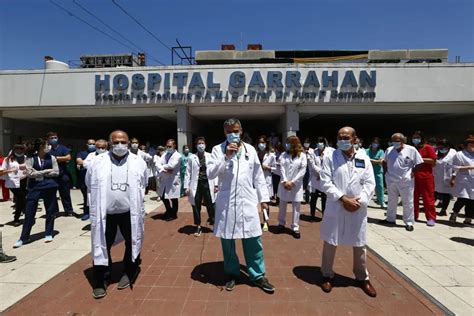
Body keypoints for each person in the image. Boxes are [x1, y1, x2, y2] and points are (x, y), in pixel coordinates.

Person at [207, 118, 274, 293]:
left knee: (253, 239)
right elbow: (211, 173)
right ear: (224, 133)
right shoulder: (217, 150)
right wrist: (226, 156)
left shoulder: (250, 150)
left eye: (235, 131)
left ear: (241, 130)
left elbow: (258, 177)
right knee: (228, 240)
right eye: (229, 131)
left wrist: (264, 199)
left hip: (247, 201)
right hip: (227, 202)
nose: (233, 134)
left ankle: (258, 275)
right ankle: (231, 274)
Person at [86, 130, 148, 299]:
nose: (120, 145)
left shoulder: (138, 161)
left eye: (123, 142)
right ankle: (101, 278)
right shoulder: (97, 161)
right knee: (102, 243)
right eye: (116, 142)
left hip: (130, 213)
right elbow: (89, 184)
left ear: (128, 143)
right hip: (105, 213)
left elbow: (144, 183)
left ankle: (129, 271)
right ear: (109, 143)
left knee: (132, 241)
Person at [319, 126, 376, 297]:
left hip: (357, 207)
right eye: (340, 137)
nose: (342, 140)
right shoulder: (330, 157)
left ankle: (362, 277)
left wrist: (360, 201)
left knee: (359, 244)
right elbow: (325, 182)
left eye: (346, 137)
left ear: (354, 138)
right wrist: (343, 199)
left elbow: (369, 183)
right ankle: (327, 274)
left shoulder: (363, 158)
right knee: (331, 241)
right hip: (337, 205)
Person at [14, 138, 60, 247]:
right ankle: (24, 237)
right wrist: (46, 171)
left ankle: (49, 233)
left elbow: (56, 172)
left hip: (49, 187)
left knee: (50, 211)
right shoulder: (31, 158)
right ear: (41, 146)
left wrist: (39, 172)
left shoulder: (52, 157)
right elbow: (29, 173)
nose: (48, 147)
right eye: (47, 145)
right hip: (34, 188)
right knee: (29, 212)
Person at [380, 133, 423, 231]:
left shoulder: (411, 150)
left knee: (407, 201)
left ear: (403, 141)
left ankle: (409, 222)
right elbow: (384, 162)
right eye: (393, 141)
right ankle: (390, 219)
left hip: (405, 180)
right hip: (391, 180)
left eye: (397, 141)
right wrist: (386, 173)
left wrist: (412, 173)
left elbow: (419, 163)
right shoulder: (389, 150)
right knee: (391, 200)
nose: (395, 143)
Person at [184, 137, 216, 237]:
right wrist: (186, 187)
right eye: (199, 143)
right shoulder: (191, 157)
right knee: (196, 205)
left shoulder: (210, 156)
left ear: (205, 145)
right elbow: (187, 172)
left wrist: (216, 184)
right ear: (196, 145)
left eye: (202, 143)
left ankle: (214, 223)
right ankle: (198, 226)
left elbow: (215, 171)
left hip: (208, 183)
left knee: (211, 204)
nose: (201, 145)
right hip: (196, 184)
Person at [277, 135, 307, 239]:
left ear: (294, 144)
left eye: (289, 143)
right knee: (282, 204)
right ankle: (281, 223)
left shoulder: (302, 156)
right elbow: (281, 168)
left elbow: (302, 171)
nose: (287, 145)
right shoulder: (283, 154)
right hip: (284, 184)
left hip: (296, 185)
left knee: (296, 207)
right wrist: (285, 181)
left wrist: (293, 182)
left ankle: (295, 227)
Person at [412, 131, 437, 226]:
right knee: (413, 198)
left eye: (417, 137)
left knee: (428, 198)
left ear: (422, 138)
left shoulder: (428, 147)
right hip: (413, 176)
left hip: (426, 177)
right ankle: (414, 215)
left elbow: (433, 161)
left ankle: (431, 217)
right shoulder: (412, 148)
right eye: (414, 137)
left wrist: (420, 159)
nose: (415, 139)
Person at [46, 132, 74, 216]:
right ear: (48, 139)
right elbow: (44, 159)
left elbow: (68, 157)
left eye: (55, 137)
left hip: (63, 174)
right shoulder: (46, 148)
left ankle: (68, 210)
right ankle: (54, 211)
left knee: (65, 194)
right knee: (52, 195)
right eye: (52, 138)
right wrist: (61, 159)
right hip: (51, 175)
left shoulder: (62, 147)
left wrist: (55, 158)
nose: (54, 139)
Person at [0, 143, 28, 225]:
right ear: (14, 150)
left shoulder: (26, 158)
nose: (19, 151)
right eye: (17, 149)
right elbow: (1, 172)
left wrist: (26, 170)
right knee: (21, 197)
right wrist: (10, 170)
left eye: (21, 149)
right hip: (12, 182)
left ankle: (19, 217)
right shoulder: (7, 159)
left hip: (24, 180)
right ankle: (18, 217)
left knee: (22, 199)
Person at [449, 135, 474, 225]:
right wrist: (470, 167)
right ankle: (454, 213)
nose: (473, 146)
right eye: (471, 144)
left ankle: (468, 218)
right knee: (462, 199)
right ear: (467, 145)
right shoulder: (460, 154)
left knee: (472, 201)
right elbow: (455, 167)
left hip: (473, 181)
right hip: (464, 180)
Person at [308, 137, 334, 219]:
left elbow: (330, 164)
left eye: (320, 142)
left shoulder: (330, 151)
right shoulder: (313, 152)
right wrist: (319, 172)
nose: (319, 144)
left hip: (325, 177)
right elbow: (312, 164)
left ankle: (324, 215)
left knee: (324, 197)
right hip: (316, 177)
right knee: (313, 197)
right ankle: (312, 215)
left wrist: (322, 174)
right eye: (318, 142)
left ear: (324, 143)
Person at [156, 139, 181, 221]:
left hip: (173, 179)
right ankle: (169, 210)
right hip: (165, 178)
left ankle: (174, 214)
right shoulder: (165, 154)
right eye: (167, 146)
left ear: (174, 146)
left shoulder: (178, 156)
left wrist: (162, 167)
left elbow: (171, 166)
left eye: (170, 146)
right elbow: (157, 163)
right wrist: (163, 168)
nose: (168, 148)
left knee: (173, 198)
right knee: (163, 196)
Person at [255, 135, 276, 231]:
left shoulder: (271, 155)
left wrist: (268, 168)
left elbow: (276, 169)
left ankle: (265, 222)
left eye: (263, 142)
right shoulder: (254, 153)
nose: (261, 144)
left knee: (265, 203)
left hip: (266, 180)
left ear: (266, 144)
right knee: (254, 203)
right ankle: (254, 222)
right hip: (255, 181)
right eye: (259, 142)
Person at [434, 139, 456, 216]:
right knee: (434, 193)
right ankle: (429, 207)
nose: (441, 149)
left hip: (448, 177)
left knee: (446, 194)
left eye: (442, 147)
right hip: (436, 177)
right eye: (439, 147)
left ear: (448, 146)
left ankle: (443, 210)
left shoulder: (453, 153)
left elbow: (456, 167)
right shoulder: (436, 152)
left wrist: (454, 177)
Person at [76, 139, 96, 221]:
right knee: (86, 197)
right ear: (87, 144)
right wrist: (92, 163)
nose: (92, 145)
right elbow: (79, 161)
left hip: (95, 179)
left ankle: (95, 213)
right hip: (85, 179)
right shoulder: (81, 153)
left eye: (93, 144)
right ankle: (86, 213)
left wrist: (86, 163)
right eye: (90, 144)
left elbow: (82, 163)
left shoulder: (98, 153)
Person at [367, 138, 386, 208]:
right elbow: (364, 160)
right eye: (374, 142)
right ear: (371, 143)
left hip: (378, 172)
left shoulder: (381, 151)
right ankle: (365, 202)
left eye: (377, 143)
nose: (375, 144)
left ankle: (381, 201)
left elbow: (381, 161)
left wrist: (370, 160)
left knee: (380, 187)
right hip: (368, 172)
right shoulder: (367, 151)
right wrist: (376, 161)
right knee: (367, 187)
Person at [302, 137, 313, 204]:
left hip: (310, 169)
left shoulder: (312, 150)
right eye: (305, 143)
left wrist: (308, 155)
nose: (306, 144)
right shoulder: (301, 150)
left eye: (307, 143)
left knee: (309, 184)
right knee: (303, 183)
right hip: (303, 168)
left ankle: (307, 198)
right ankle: (303, 197)